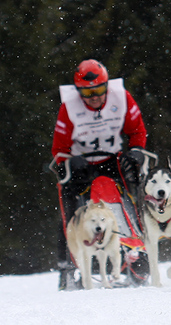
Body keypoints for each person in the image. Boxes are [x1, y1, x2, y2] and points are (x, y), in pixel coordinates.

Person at [51, 59, 148, 290]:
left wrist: (136, 151)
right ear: (78, 92)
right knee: (71, 212)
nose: (94, 97)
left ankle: (136, 255)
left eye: (99, 90)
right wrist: (68, 160)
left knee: (129, 201)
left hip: (112, 161)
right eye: (87, 92)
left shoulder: (122, 98)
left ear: (107, 86)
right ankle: (69, 267)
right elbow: (58, 149)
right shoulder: (69, 107)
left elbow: (137, 130)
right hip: (79, 165)